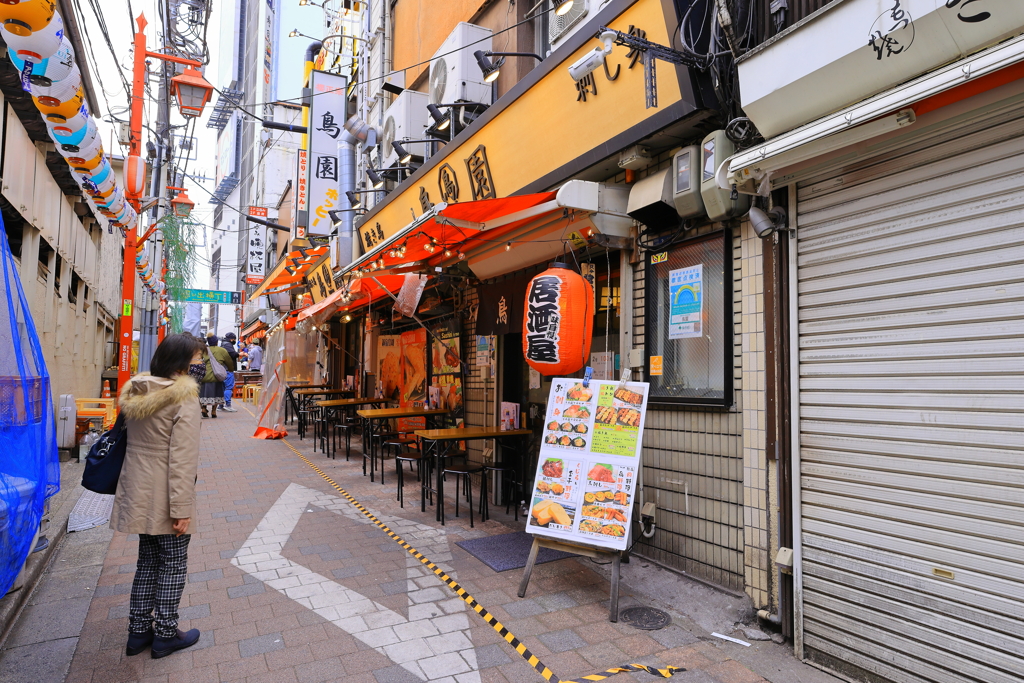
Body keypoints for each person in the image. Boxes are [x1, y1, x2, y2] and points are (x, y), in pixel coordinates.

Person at [112, 333, 205, 659]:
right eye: (196, 360)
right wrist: (181, 508)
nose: (200, 366)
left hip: (137, 490)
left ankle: (138, 633)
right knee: (174, 564)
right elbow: (182, 459)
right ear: (181, 364)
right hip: (167, 495)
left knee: (148, 562)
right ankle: (166, 634)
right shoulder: (183, 398)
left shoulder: (139, 390)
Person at [200, 335, 233, 418]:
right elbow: (229, 362)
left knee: (204, 394)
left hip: (205, 375)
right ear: (216, 342)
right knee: (217, 393)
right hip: (217, 376)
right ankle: (213, 411)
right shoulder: (222, 350)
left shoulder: (203, 351)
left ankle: (204, 408)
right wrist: (230, 369)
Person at [220, 333, 240, 412]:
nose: (234, 341)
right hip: (228, 369)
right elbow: (233, 354)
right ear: (232, 339)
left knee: (222, 388)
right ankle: (228, 404)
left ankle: (220, 405)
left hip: (222, 369)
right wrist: (239, 354)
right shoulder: (228, 345)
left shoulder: (222, 344)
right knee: (228, 387)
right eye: (234, 339)